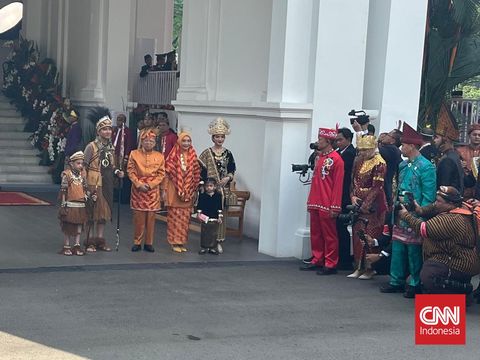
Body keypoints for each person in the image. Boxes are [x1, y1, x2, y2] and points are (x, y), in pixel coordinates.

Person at [380, 123, 437, 298]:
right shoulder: (404, 165)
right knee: (398, 248)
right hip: (400, 212)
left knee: (413, 251)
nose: (401, 147)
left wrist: (421, 212)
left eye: (403, 145)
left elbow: (429, 194)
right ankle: (396, 280)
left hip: (414, 214)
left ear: (412, 146)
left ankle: (415, 283)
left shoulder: (427, 167)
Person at [399, 186, 480, 295]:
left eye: (438, 201)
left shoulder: (452, 219)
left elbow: (424, 229)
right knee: (431, 268)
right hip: (460, 257)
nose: (435, 203)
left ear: (450, 203)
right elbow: (433, 207)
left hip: (459, 261)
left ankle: (459, 294)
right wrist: (419, 210)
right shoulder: (460, 208)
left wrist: (405, 216)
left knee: (429, 274)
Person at [300, 126, 344, 275]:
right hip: (316, 200)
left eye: (320, 139)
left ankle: (331, 262)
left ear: (328, 141)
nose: (317, 142)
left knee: (329, 235)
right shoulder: (320, 158)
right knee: (316, 233)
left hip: (327, 203)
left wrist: (335, 206)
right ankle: (317, 258)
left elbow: (338, 185)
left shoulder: (337, 160)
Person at [84, 114, 125, 252]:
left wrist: (117, 172)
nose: (108, 132)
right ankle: (90, 241)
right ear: (98, 131)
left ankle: (100, 240)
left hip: (107, 183)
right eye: (104, 129)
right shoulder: (91, 146)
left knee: (103, 214)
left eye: (109, 129)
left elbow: (111, 166)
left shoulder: (111, 148)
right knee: (92, 213)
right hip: (93, 181)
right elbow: (84, 165)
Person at [348, 135, 387, 280]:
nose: (363, 153)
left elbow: (377, 187)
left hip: (374, 205)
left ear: (372, 148)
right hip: (357, 201)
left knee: (370, 235)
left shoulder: (379, 163)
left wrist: (366, 205)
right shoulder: (358, 160)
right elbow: (352, 181)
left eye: (366, 150)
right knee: (358, 235)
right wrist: (352, 197)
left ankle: (370, 268)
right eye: (361, 150)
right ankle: (358, 266)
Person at [199, 117, 236, 253]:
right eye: (217, 137)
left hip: (223, 190)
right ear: (213, 138)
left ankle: (218, 241)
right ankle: (206, 242)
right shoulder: (206, 153)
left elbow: (232, 169)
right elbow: (200, 172)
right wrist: (205, 186)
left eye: (222, 137)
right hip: (210, 190)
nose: (220, 139)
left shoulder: (228, 154)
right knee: (208, 215)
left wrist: (227, 178)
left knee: (221, 217)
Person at [127, 130, 165, 253]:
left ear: (155, 143)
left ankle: (149, 243)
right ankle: (137, 242)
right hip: (138, 189)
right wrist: (138, 184)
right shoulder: (134, 154)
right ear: (141, 141)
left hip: (152, 190)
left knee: (151, 218)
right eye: (146, 140)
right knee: (139, 218)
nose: (148, 143)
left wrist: (151, 185)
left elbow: (161, 174)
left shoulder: (160, 156)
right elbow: (131, 171)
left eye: (151, 141)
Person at [162, 131, 201, 253]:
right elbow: (167, 174)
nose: (186, 143)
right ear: (179, 141)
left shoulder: (193, 155)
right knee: (174, 218)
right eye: (184, 141)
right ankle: (173, 242)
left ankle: (181, 242)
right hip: (174, 190)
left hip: (188, 191)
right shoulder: (173, 155)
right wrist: (164, 190)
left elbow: (196, 174)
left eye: (188, 141)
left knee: (184, 219)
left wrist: (193, 188)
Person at [58, 151, 88, 256]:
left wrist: (89, 195)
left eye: (82, 163)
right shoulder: (67, 175)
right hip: (70, 204)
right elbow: (63, 191)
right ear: (72, 164)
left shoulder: (82, 175)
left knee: (79, 225)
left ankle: (77, 245)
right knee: (68, 226)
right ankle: (67, 245)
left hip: (81, 205)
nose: (80, 166)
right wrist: (63, 204)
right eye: (78, 163)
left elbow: (85, 188)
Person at [335, 128, 356, 270]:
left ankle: (345, 259)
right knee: (336, 227)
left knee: (342, 227)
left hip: (345, 194)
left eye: (340, 139)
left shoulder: (350, 153)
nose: (338, 142)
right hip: (337, 193)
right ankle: (339, 256)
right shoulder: (338, 152)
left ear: (348, 139)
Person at [433, 104, 464, 193]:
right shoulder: (453, 155)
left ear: (445, 140)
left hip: (446, 204)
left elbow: (443, 187)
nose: (434, 140)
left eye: (437, 137)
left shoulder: (448, 160)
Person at [196, 177, 224, 255]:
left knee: (213, 233)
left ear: (215, 187)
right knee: (204, 232)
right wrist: (199, 214)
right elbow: (200, 205)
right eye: (207, 186)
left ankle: (212, 247)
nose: (209, 187)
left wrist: (219, 217)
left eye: (211, 186)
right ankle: (204, 247)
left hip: (214, 217)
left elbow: (219, 207)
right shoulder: (202, 195)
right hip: (205, 217)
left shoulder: (218, 196)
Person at [112, 112, 135, 204]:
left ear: (124, 121)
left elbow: (129, 145)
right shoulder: (114, 130)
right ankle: (116, 195)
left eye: (121, 120)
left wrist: (126, 157)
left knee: (123, 176)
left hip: (122, 156)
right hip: (114, 155)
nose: (119, 121)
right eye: (118, 119)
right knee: (114, 175)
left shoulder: (127, 132)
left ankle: (123, 197)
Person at [456, 123, 480, 198]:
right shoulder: (460, 151)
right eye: (474, 134)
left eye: (479, 135)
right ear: (469, 135)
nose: (477, 137)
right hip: (465, 189)